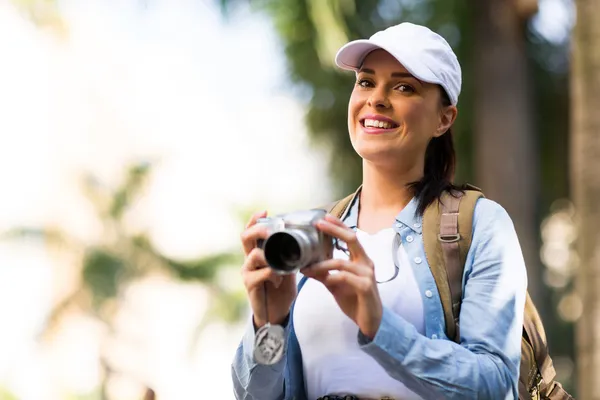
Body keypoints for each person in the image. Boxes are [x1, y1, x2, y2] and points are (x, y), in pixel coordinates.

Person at [231, 22, 527, 400]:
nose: (377, 99)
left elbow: (496, 385)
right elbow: (254, 395)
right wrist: (268, 325)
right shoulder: (308, 235)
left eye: (404, 87)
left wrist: (380, 327)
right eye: (366, 82)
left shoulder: (481, 224)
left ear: (444, 119)